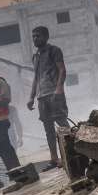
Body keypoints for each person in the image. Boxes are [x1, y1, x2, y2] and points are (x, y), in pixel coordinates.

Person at [27, 26, 68, 169]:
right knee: (48, 129)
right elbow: (36, 78)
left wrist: (59, 89)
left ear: (46, 37)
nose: (35, 39)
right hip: (42, 97)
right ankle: (54, 159)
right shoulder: (35, 56)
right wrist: (32, 97)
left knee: (63, 125)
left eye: (38, 36)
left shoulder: (54, 51)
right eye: (33, 36)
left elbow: (62, 70)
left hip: (54, 94)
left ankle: (68, 155)